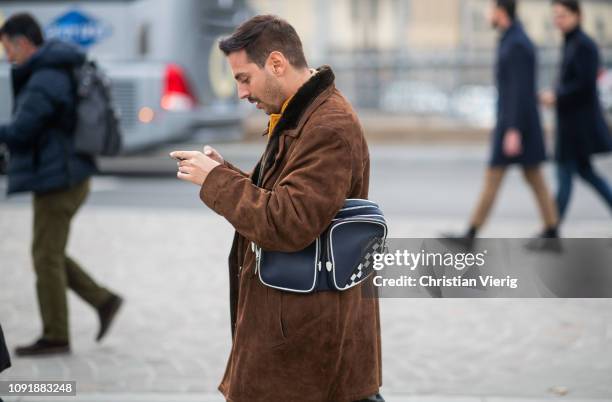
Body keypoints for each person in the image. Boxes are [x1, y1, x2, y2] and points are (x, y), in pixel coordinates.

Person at [170, 15, 384, 402]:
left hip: (309, 338)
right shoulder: (301, 114)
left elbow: (287, 221)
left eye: (243, 78)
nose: (241, 93)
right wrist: (224, 172)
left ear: (276, 64)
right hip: (299, 324)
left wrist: (216, 181)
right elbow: (280, 196)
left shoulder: (327, 126)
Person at [0, 13, 123, 357]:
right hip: (63, 176)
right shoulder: (51, 69)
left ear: (23, 43)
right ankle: (104, 300)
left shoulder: (44, 77)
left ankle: (56, 335)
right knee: (49, 253)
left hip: (60, 180)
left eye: (7, 48)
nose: (7, 56)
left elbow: (22, 131)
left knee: (45, 256)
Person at [447, 0, 558, 241]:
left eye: (490, 9)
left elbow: (518, 90)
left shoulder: (516, 43)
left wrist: (513, 129)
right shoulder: (513, 39)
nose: (487, 14)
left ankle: (471, 234)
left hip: (516, 125)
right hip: (518, 123)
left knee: (499, 176)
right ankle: (551, 230)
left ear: (500, 12)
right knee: (533, 177)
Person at [540, 0, 612, 224]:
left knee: (564, 179)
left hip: (576, 128)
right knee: (586, 174)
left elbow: (584, 84)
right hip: (572, 126)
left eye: (562, 15)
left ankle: (551, 231)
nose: (557, 21)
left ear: (577, 15)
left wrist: (556, 96)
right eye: (555, 16)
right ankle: (551, 231)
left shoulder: (584, 45)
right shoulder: (572, 42)